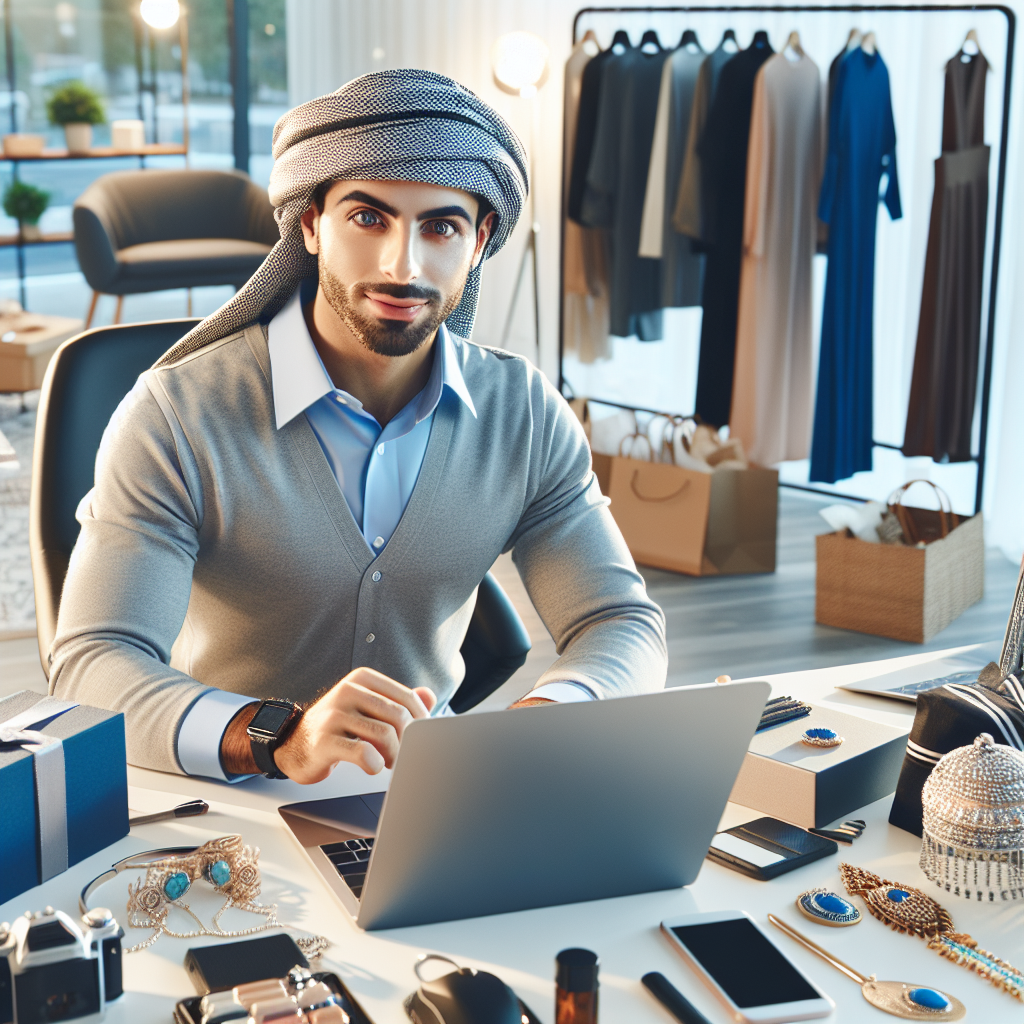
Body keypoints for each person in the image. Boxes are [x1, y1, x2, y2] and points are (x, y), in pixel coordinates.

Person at [49, 70, 667, 785]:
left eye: (441, 226)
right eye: (368, 218)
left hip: (427, 807)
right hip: (223, 800)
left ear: (480, 240)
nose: (402, 266)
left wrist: (554, 713)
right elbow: (92, 663)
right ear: (310, 224)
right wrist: (280, 735)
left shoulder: (524, 413)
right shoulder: (176, 414)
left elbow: (621, 622)